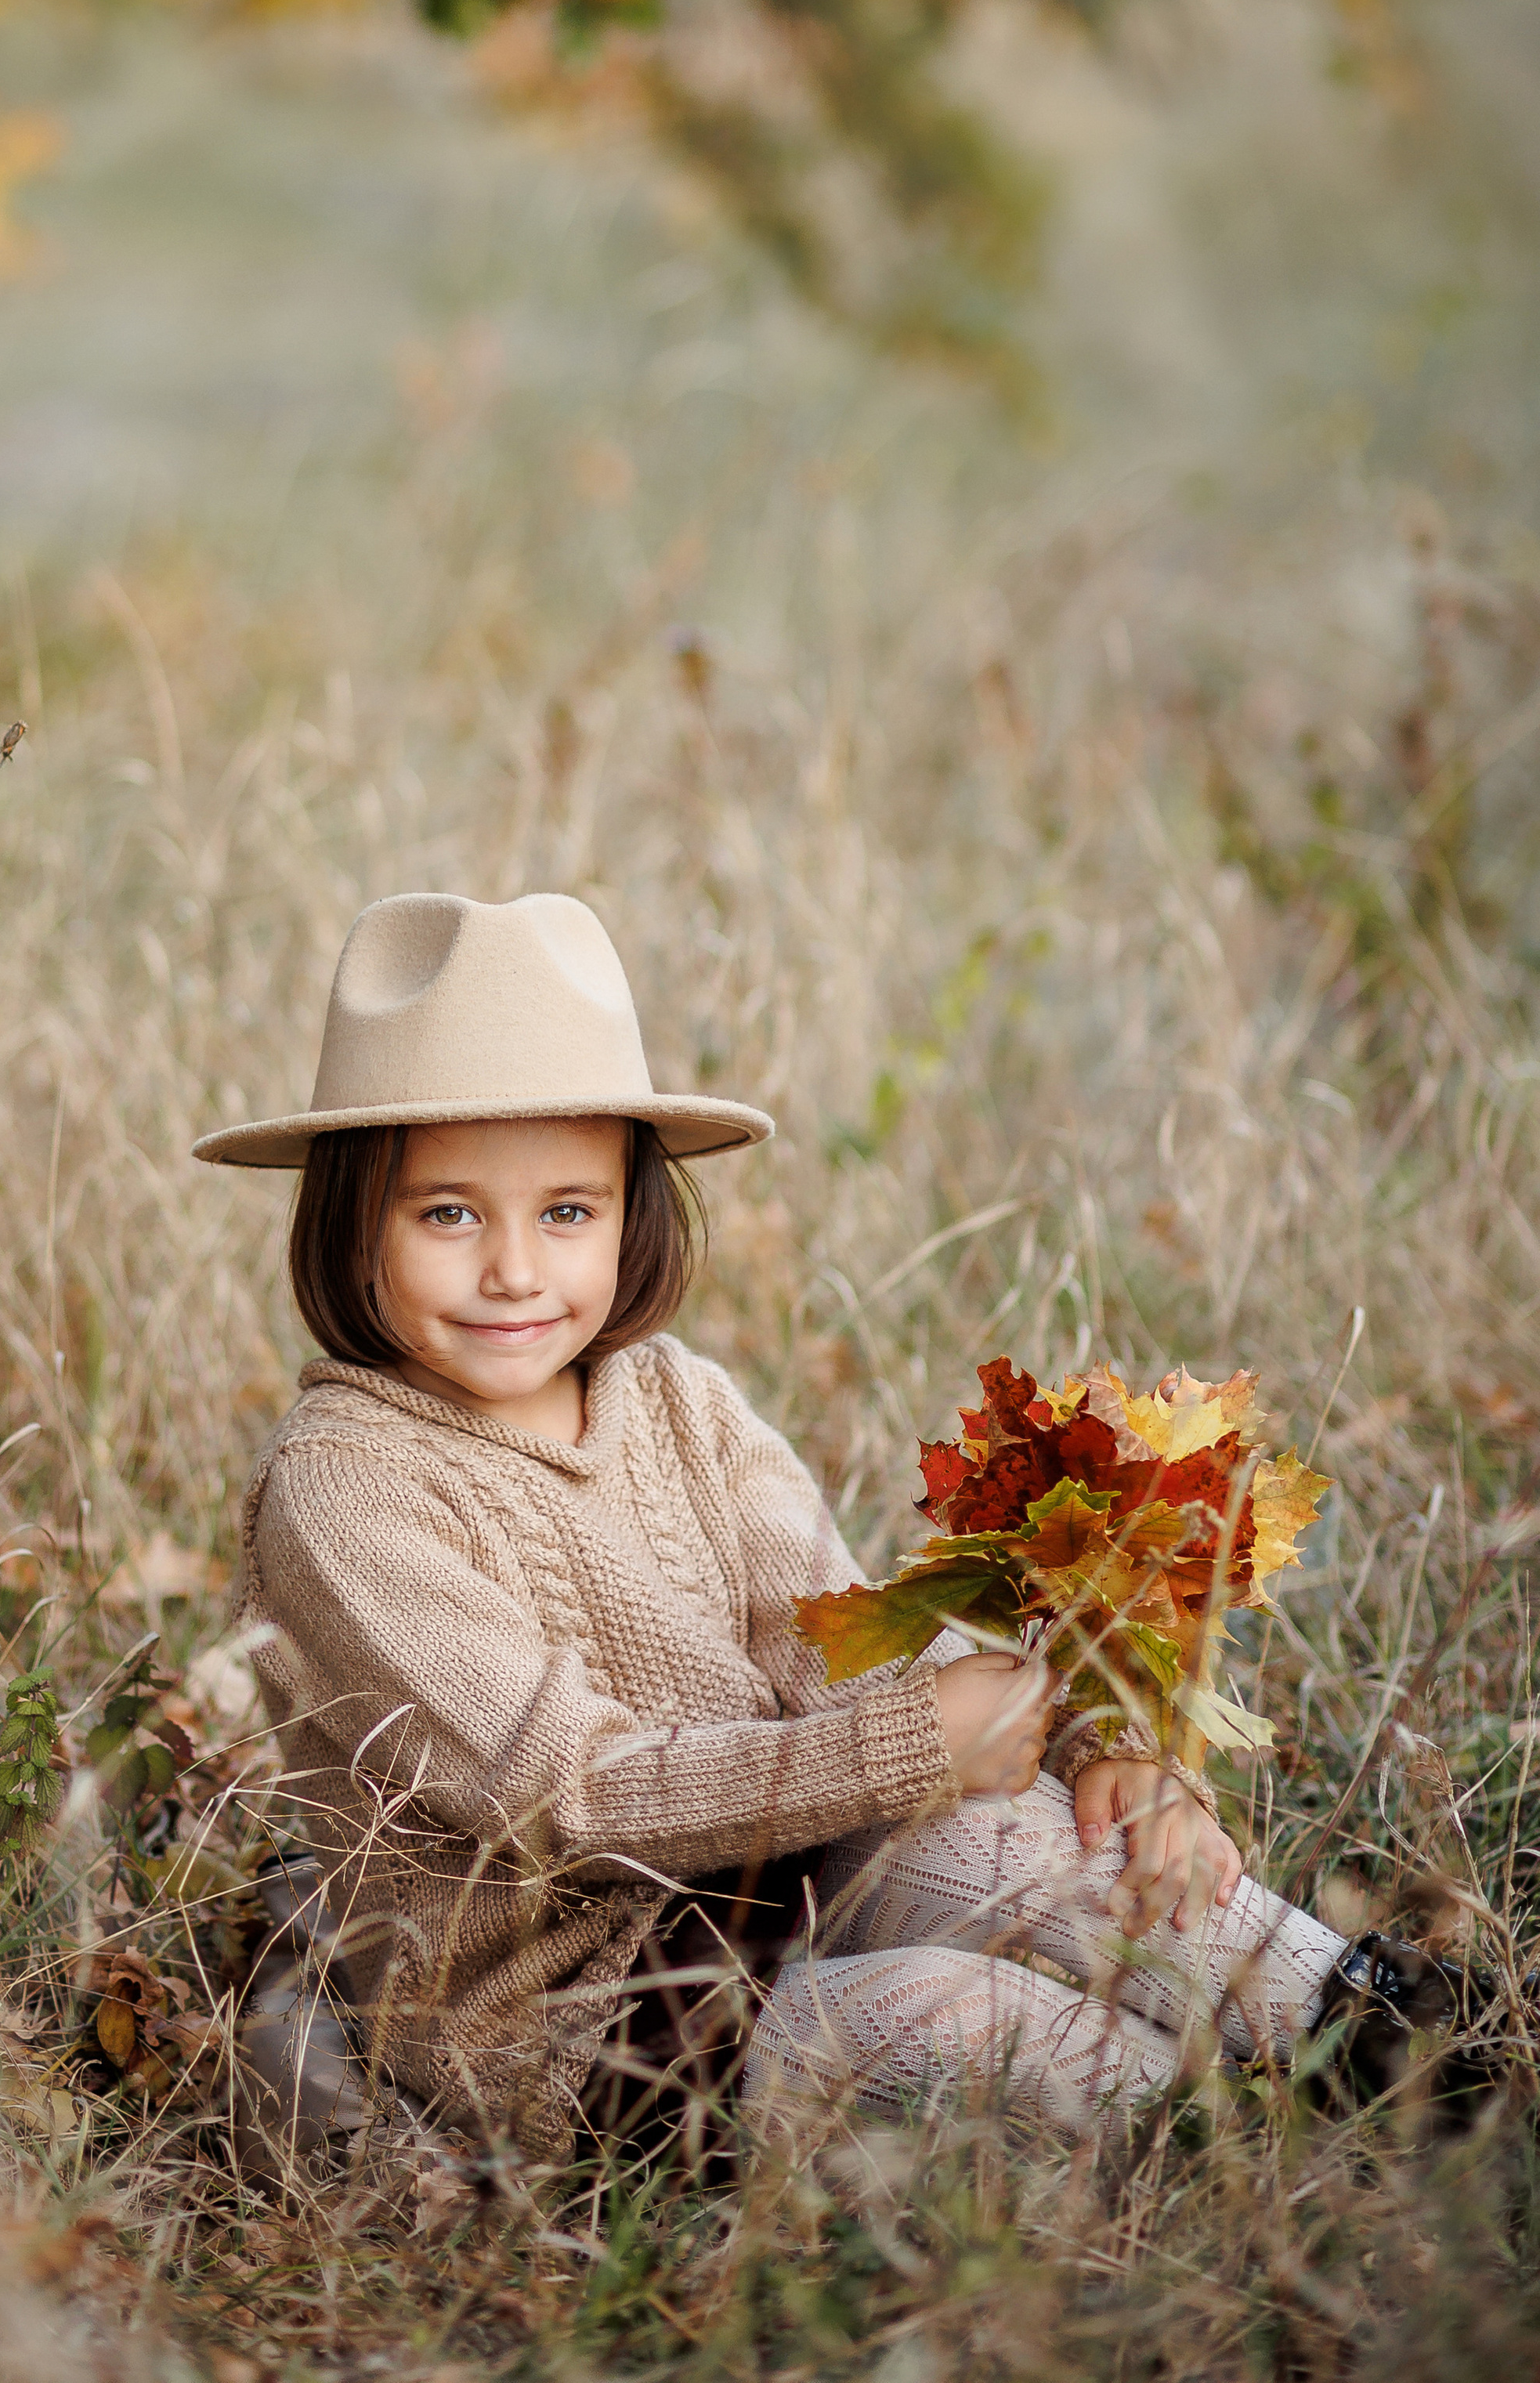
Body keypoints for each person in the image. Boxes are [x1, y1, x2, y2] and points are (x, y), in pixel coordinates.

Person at [196, 891, 1463, 2168]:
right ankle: (1244, 2145)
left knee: (1035, 1851)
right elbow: (559, 1792)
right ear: (352, 1222)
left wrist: (1096, 1749)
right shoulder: (345, 1489)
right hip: (584, 2016)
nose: (517, 1269)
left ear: (633, 1213)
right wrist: (916, 1742)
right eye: (450, 1214)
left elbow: (840, 1649)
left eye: (567, 1210)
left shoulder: (678, 1402)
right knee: (960, 2020)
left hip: (789, 1863)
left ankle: (1398, 2044)